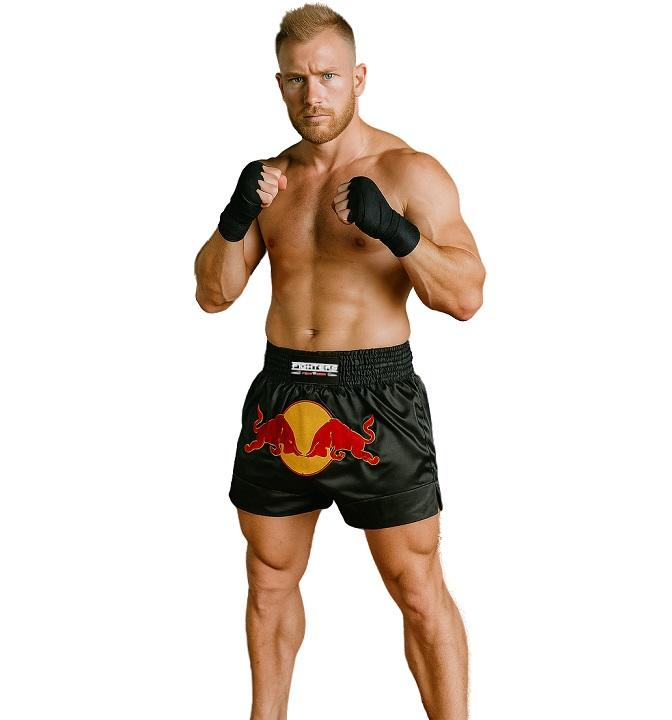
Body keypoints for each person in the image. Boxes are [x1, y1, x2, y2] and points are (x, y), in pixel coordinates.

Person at [194, 3, 486, 718]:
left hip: (375, 395)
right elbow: (213, 295)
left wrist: (397, 232)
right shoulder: (272, 181)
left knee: (416, 586)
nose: (313, 94)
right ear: (280, 84)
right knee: (268, 579)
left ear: (358, 78)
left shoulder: (410, 170)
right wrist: (234, 220)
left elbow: (466, 296)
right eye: (297, 79)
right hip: (282, 390)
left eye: (327, 76)